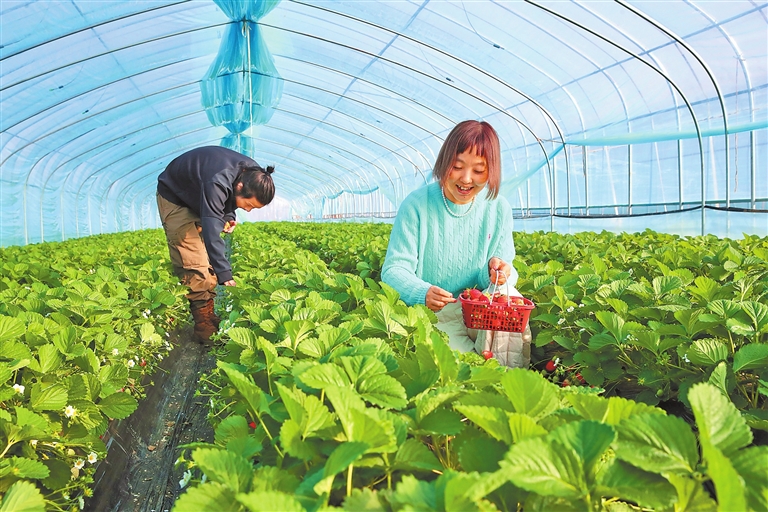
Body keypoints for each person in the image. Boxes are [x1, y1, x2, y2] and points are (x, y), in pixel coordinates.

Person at [381, 120, 531, 367]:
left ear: (491, 171)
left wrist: (498, 273)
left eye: (479, 170)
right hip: (438, 313)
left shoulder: (498, 208)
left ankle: (509, 386)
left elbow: (507, 273)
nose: (466, 179)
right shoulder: (417, 205)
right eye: (457, 166)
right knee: (459, 369)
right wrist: (422, 293)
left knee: (509, 308)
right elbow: (395, 270)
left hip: (482, 312)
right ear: (444, 162)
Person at [156, 146, 275, 343]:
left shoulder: (254, 174)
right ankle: (203, 326)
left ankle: (209, 313)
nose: (249, 210)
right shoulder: (217, 181)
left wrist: (229, 214)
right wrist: (225, 273)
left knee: (204, 256)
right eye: (250, 205)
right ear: (239, 188)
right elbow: (212, 232)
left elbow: (226, 200)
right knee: (192, 259)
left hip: (197, 194)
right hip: (176, 197)